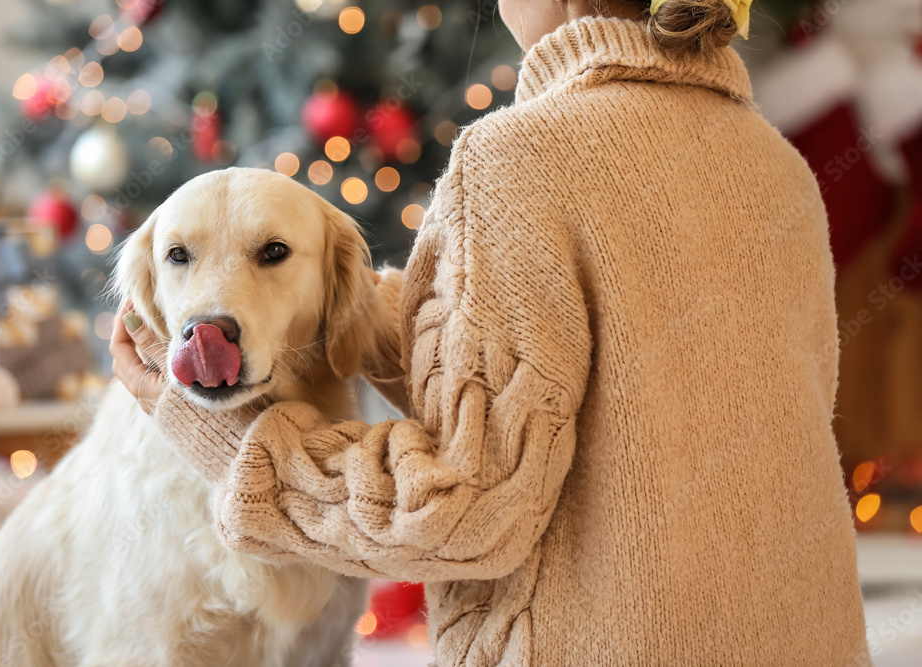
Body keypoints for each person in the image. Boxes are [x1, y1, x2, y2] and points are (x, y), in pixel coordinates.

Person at [111, 1, 871, 664]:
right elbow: (610, 389)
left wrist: (231, 441)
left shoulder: (516, 160)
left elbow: (461, 512)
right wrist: (355, 309)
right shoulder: (777, 165)